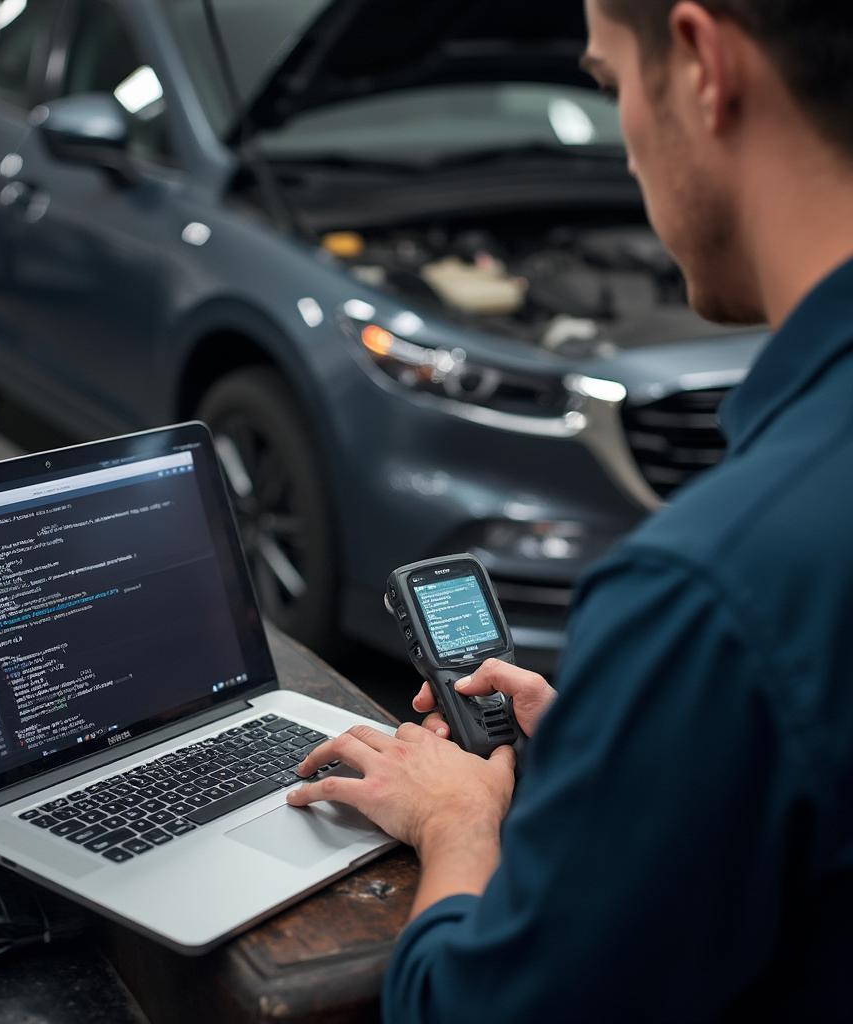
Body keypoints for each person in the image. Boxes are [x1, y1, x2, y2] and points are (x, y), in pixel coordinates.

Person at [286, 1, 853, 1019]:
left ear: (698, 64)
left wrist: (459, 822)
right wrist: (645, 737)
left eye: (607, 83)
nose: (625, 148)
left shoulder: (707, 592)